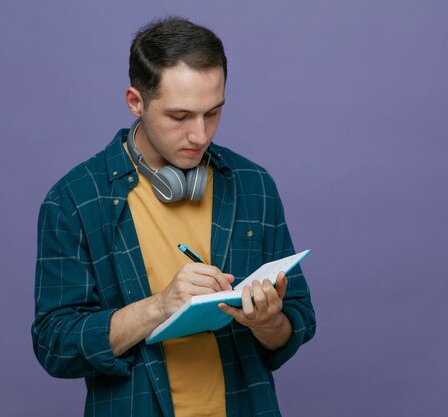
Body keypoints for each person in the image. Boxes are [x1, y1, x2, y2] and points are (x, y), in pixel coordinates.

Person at [32, 17, 315, 417]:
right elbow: (54, 344)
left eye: (212, 113)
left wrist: (267, 322)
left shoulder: (253, 184)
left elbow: (298, 319)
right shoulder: (74, 200)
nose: (200, 135)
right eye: (180, 117)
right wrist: (161, 306)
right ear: (136, 101)